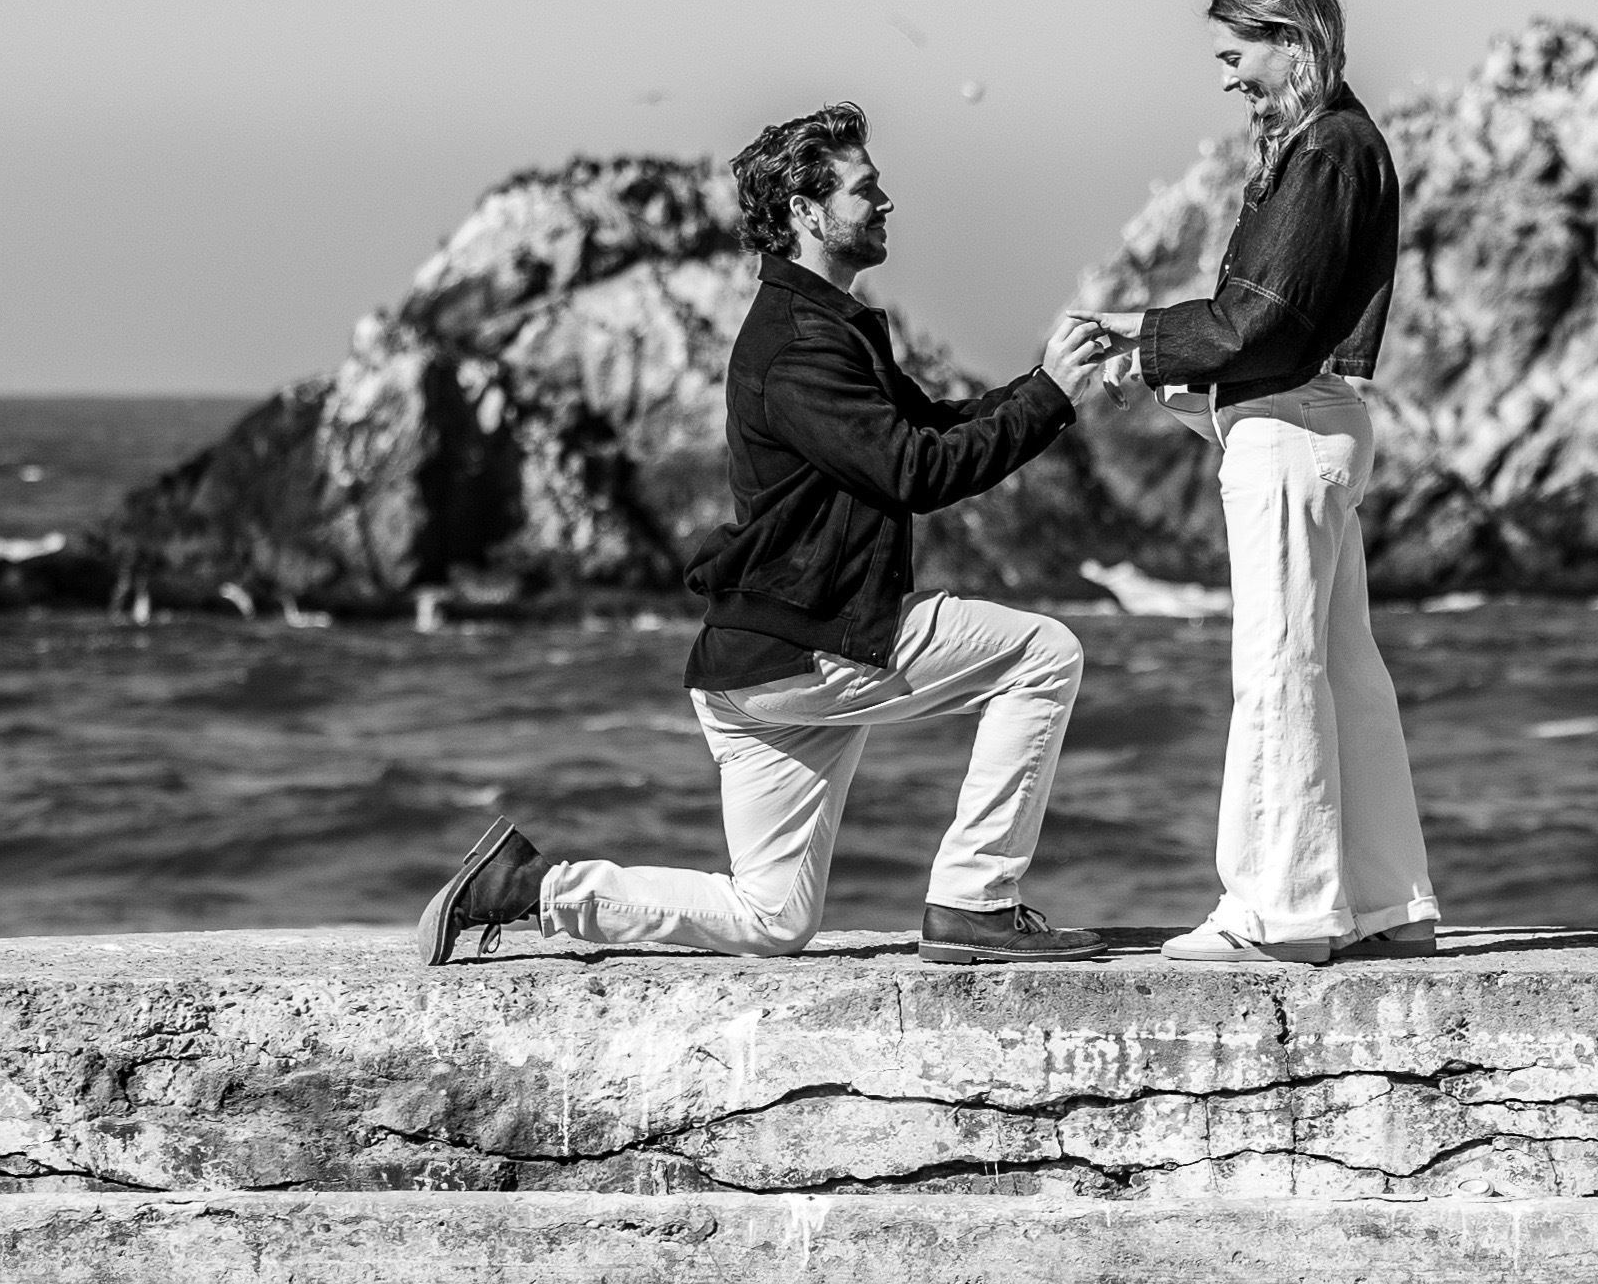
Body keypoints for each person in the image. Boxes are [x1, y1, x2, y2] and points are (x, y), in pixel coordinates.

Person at [416, 103, 1111, 968]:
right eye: (866, 190)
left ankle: (527, 890)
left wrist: (1047, 382)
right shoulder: (798, 346)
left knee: (771, 918)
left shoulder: (822, 326)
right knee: (1044, 653)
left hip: (756, 665)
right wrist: (1052, 401)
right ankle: (975, 904)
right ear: (805, 212)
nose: (886, 201)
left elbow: (923, 426)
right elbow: (917, 471)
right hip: (809, 646)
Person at [1074, 0, 1440, 967]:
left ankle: (1276, 913)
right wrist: (1152, 353)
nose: (1225, 76)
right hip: (1309, 422)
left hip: (1286, 431)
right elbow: (1265, 328)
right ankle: (1380, 901)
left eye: (1236, 53)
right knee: (1344, 670)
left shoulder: (1324, 153)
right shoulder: (1339, 144)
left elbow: (1256, 322)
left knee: (1278, 668)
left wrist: (1137, 338)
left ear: (1290, 40)